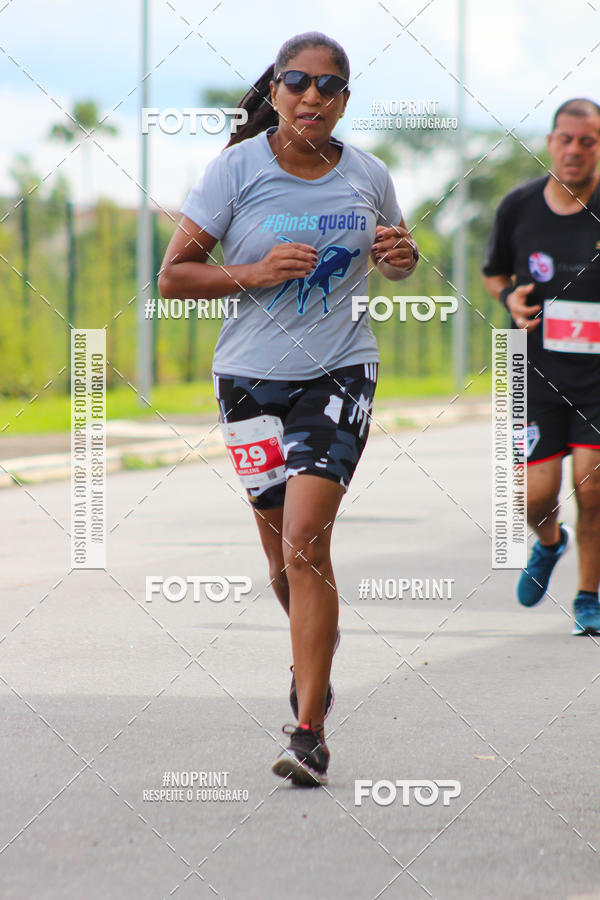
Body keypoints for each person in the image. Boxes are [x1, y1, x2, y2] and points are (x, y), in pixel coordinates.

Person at [158, 31, 418, 785]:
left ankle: (308, 730)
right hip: (246, 384)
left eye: (328, 86)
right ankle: (315, 672)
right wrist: (256, 271)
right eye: (297, 82)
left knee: (307, 540)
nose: (311, 96)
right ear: (273, 91)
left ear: (343, 101)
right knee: (281, 560)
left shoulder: (368, 176)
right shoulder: (234, 173)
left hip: (339, 373)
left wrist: (399, 262)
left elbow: (396, 259)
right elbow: (174, 278)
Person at [482, 98, 600, 635]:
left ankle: (588, 596)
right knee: (535, 497)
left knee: (592, 487)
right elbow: (494, 273)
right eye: (566, 138)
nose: (574, 150)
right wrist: (510, 299)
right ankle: (549, 542)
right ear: (550, 141)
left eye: (588, 141)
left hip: (598, 379)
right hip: (534, 373)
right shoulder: (518, 206)